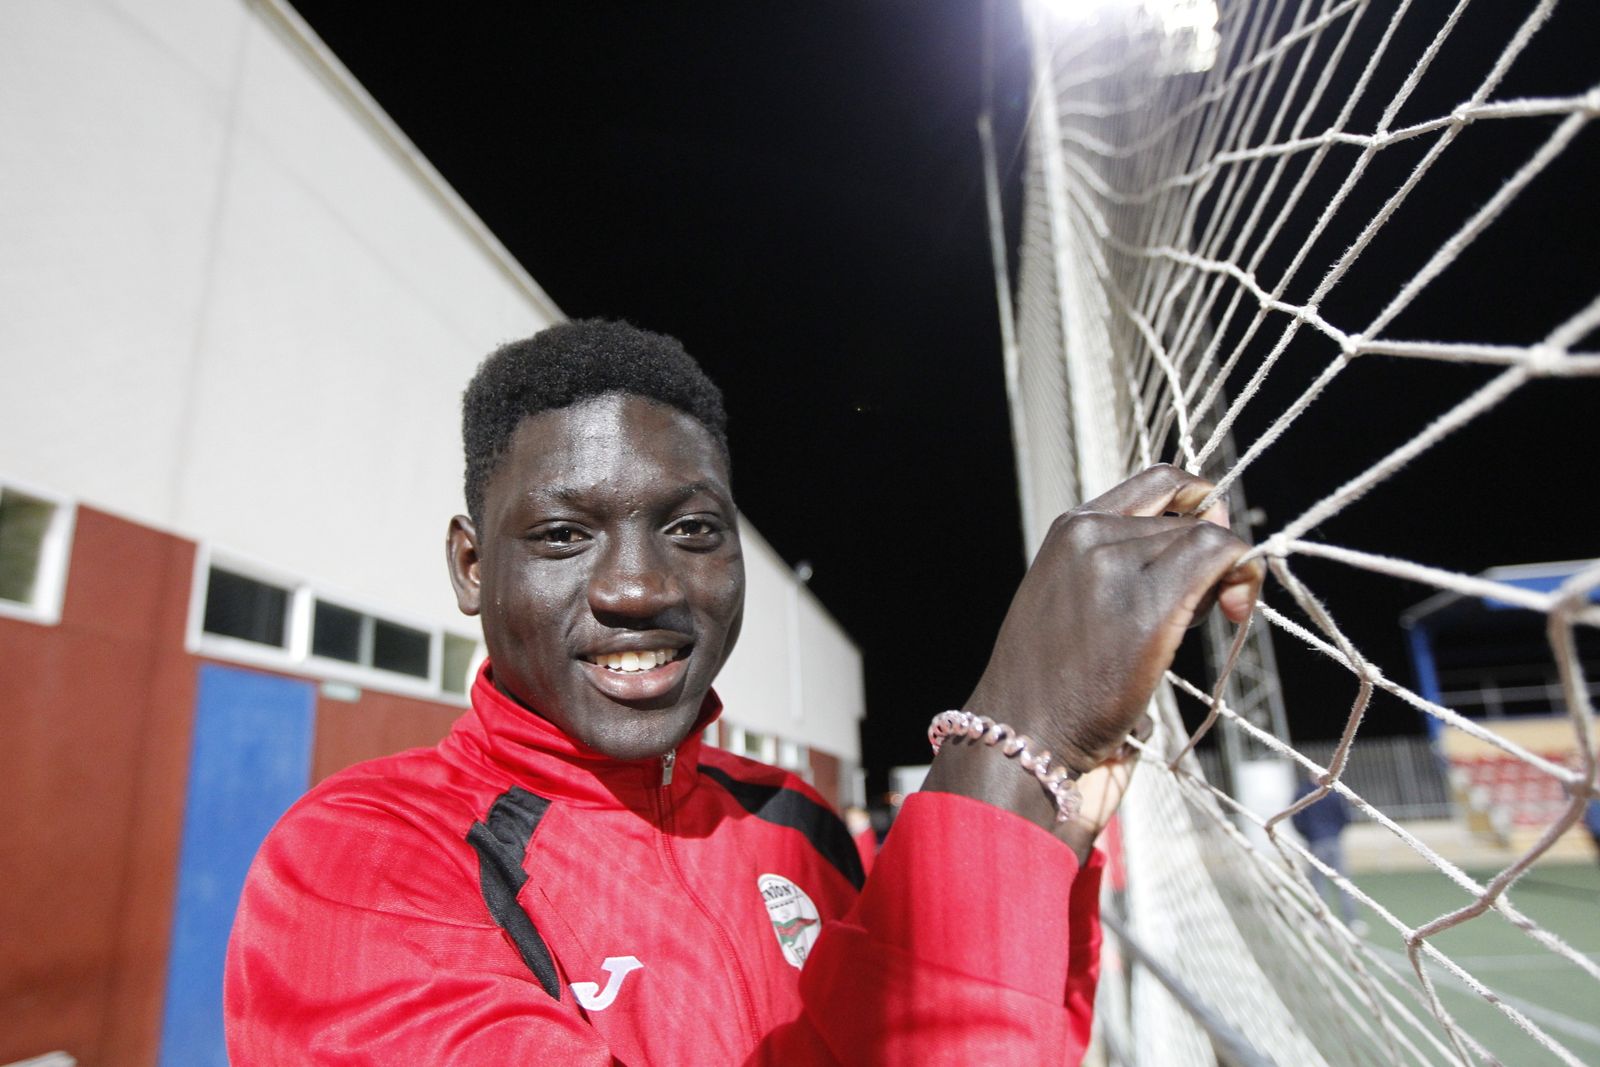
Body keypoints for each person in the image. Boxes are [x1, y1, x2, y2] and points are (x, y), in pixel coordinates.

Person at [224, 319, 1261, 1064]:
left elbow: (996, 1035)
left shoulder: (797, 822)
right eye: (561, 533)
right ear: (469, 566)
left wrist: (1041, 836)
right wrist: (1006, 740)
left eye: (691, 528)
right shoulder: (358, 862)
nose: (639, 585)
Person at [1291, 777, 1361, 931]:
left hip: (1321, 841)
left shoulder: (1309, 793)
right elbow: (1345, 816)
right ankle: (1345, 921)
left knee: (1329, 883)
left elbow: (1297, 819)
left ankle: (1340, 921)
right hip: (1323, 841)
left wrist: (1312, 834)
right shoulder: (1313, 793)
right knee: (1330, 883)